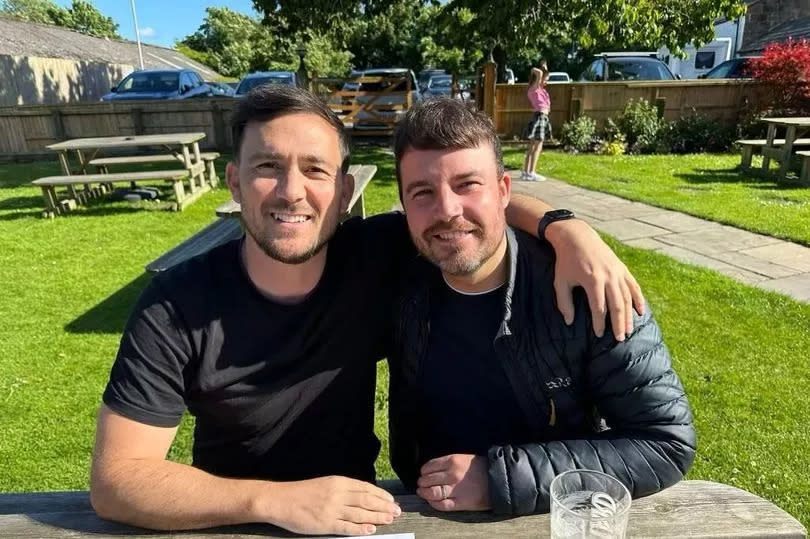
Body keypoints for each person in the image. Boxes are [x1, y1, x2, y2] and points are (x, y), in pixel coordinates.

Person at [89, 85, 644, 536]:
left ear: (345, 189)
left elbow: (465, 203)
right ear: (234, 181)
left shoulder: (377, 254)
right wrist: (277, 502)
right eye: (267, 166)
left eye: (315, 169)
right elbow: (117, 482)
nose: (291, 191)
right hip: (227, 521)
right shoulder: (174, 305)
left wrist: (567, 229)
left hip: (357, 523)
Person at [388, 97, 696, 515]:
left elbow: (664, 442)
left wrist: (500, 479)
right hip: (424, 513)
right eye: (422, 192)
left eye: (467, 184)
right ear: (404, 206)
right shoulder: (393, 272)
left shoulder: (588, 285)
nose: (446, 210)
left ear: (503, 190)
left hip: (549, 518)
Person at [521, 60, 551, 181]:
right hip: (540, 117)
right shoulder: (534, 88)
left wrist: (545, 68)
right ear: (538, 79)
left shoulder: (540, 90)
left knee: (532, 146)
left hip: (540, 117)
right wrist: (541, 69)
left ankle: (526, 172)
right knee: (537, 146)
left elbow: (542, 73)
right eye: (545, 79)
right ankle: (532, 172)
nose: (546, 81)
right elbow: (537, 72)